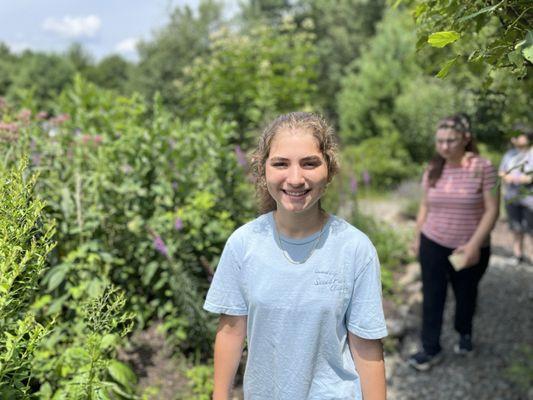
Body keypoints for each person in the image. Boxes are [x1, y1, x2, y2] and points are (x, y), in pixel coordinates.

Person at [203, 112, 388, 399]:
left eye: (309, 163)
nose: (295, 178)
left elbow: (366, 346)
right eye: (281, 163)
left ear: (329, 168)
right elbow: (230, 332)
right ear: (263, 169)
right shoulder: (243, 244)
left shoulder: (355, 249)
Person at [409, 115, 499, 371]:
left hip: (469, 248)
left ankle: (464, 332)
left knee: (465, 295)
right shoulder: (433, 169)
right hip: (433, 243)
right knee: (432, 296)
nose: (445, 146)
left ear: (466, 139)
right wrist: (417, 237)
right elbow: (425, 205)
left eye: (451, 140)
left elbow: (492, 210)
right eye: (440, 141)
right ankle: (430, 348)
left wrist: (473, 245)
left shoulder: (483, 168)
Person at [498, 127, 533, 265]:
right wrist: (510, 177)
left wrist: (518, 178)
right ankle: (518, 254)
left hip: (529, 200)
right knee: (515, 227)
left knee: (531, 229)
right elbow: (502, 172)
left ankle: (531, 255)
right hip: (512, 197)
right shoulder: (509, 154)